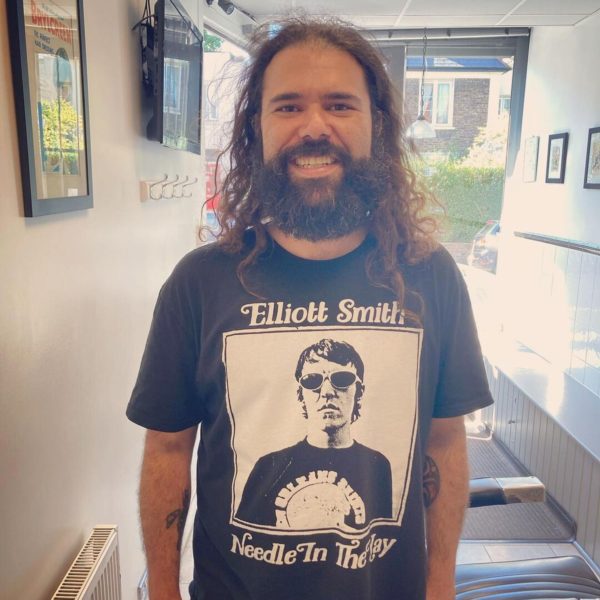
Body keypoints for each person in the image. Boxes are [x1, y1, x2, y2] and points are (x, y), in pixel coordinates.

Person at [127, 17, 493, 600]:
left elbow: (445, 441)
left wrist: (441, 583)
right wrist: (163, 593)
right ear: (257, 127)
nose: (315, 126)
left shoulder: (430, 276)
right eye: (289, 106)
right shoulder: (200, 283)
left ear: (376, 124)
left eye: (340, 105)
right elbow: (169, 448)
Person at [236, 338, 393, 530]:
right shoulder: (269, 465)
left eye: (342, 379)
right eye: (312, 381)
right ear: (300, 394)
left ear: (359, 391)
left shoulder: (377, 465)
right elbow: (244, 538)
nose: (327, 392)